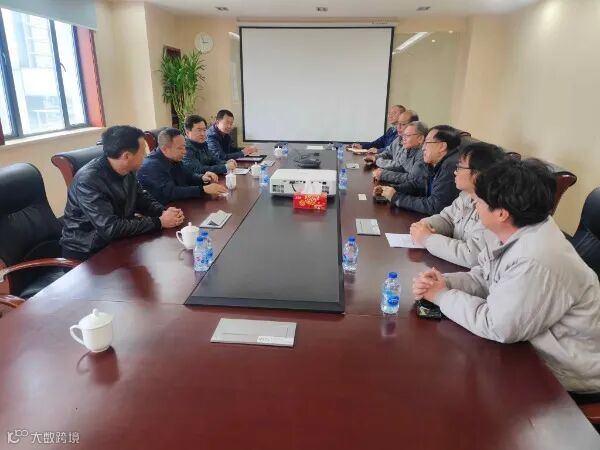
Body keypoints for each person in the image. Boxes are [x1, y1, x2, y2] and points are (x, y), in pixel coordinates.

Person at [412, 159, 600, 396]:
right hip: (527, 351)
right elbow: (486, 277)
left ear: (501, 213)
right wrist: (445, 282)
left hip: (562, 378)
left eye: (479, 201)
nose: (475, 205)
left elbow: (497, 325)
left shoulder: (536, 257)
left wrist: (441, 296)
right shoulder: (516, 230)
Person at [60, 125, 184, 261]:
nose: (146, 155)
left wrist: (164, 212)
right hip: (88, 253)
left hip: (118, 241)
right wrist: (159, 222)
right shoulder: (88, 181)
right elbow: (110, 228)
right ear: (126, 156)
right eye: (143, 151)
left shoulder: (128, 170)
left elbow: (142, 198)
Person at [409, 142, 507, 268]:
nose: (455, 172)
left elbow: (473, 255)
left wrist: (428, 239)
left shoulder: (494, 208)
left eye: (459, 167)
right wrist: (425, 225)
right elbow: (447, 219)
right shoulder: (466, 195)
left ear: (477, 174)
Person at [374, 125, 461, 215]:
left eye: (427, 143)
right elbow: (420, 184)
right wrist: (393, 189)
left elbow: (434, 206)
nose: (423, 148)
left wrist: (396, 197)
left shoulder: (450, 167)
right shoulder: (436, 162)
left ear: (442, 146)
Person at [138, 128, 228, 205]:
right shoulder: (151, 166)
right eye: (180, 148)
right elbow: (171, 192)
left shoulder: (173, 158)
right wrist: (203, 189)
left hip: (180, 204)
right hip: (165, 210)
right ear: (165, 149)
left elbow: (188, 175)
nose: (184, 151)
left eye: (184, 147)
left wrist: (202, 178)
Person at [371, 121, 427, 185]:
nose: (403, 139)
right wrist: (381, 172)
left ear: (420, 138)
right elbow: (401, 168)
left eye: (407, 135)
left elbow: (413, 179)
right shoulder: (408, 149)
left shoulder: (423, 153)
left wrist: (384, 174)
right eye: (404, 135)